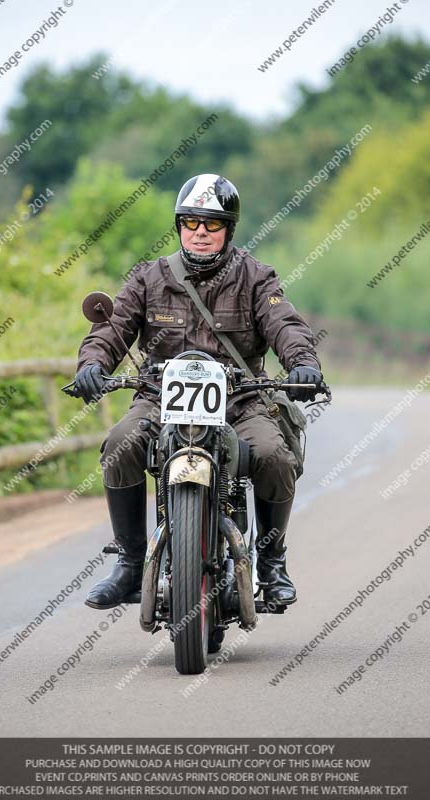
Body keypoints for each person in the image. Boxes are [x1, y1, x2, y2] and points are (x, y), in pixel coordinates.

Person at [74, 173, 325, 611]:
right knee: (119, 444)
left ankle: (271, 562)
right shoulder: (149, 278)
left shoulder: (256, 277)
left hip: (239, 400)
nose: (200, 233)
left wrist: (303, 364)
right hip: (159, 397)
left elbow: (284, 325)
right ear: (179, 227)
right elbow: (111, 329)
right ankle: (132, 564)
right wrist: (93, 365)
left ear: (229, 228)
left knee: (273, 455)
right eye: (191, 223)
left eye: (212, 224)